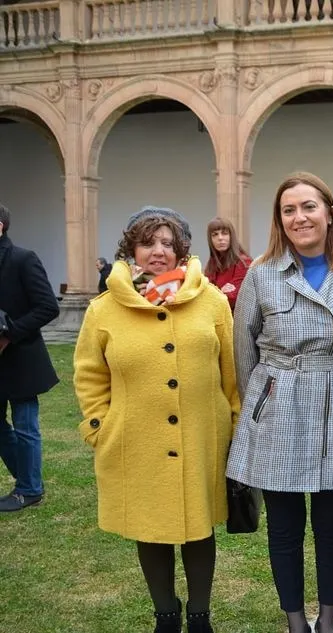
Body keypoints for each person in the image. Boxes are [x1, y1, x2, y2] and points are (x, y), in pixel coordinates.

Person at [73, 206, 240, 633]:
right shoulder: (104, 310)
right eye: (148, 242)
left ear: (182, 251)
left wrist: (235, 427)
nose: (159, 251)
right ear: (131, 249)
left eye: (169, 243)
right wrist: (99, 426)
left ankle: (200, 616)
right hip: (136, 439)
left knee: (200, 527)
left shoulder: (213, 302)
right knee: (150, 528)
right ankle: (166, 614)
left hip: (203, 435)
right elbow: (90, 374)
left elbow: (232, 373)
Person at [226, 172, 333, 633]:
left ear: (329, 213)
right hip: (279, 407)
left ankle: (327, 618)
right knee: (284, 528)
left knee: (330, 527)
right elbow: (242, 350)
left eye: (309, 206)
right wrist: (264, 400)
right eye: (289, 210)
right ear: (279, 220)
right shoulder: (261, 274)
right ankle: (295, 621)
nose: (300, 217)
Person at [0, 203, 60, 513]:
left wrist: (9, 332)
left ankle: (29, 489)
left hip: (21, 357)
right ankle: (25, 478)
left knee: (25, 425)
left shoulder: (23, 259)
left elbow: (48, 307)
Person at [204, 216, 252, 311]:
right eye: (215, 235)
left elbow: (234, 297)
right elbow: (204, 299)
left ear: (231, 236)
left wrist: (216, 293)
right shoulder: (211, 266)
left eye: (224, 233)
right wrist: (221, 292)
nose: (220, 238)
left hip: (237, 321)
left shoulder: (243, 262)